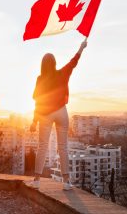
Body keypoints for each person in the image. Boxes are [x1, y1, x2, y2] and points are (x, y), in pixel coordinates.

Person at [29, 39, 88, 190]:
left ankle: (36, 180)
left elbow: (38, 102)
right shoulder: (62, 73)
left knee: (42, 146)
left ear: (42, 65)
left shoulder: (40, 79)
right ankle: (67, 182)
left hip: (46, 114)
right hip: (61, 112)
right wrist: (81, 47)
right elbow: (73, 62)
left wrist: (34, 121)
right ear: (54, 63)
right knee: (63, 147)